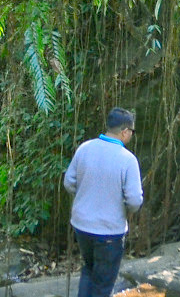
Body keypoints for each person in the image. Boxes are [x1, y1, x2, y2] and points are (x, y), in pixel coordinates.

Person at [62, 107, 143, 297]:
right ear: (124, 132)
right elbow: (134, 200)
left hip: (81, 226)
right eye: (131, 132)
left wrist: (86, 194)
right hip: (109, 232)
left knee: (88, 271)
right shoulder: (128, 160)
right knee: (103, 284)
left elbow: (68, 183)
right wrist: (123, 207)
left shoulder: (85, 148)